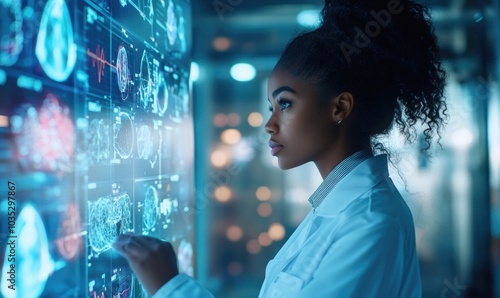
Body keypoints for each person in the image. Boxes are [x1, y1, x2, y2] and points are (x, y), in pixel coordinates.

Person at [112, 0, 447, 296]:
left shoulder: (372, 222)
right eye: (271, 107)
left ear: (339, 108)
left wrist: (171, 287)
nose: (269, 125)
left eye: (285, 104)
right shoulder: (340, 211)